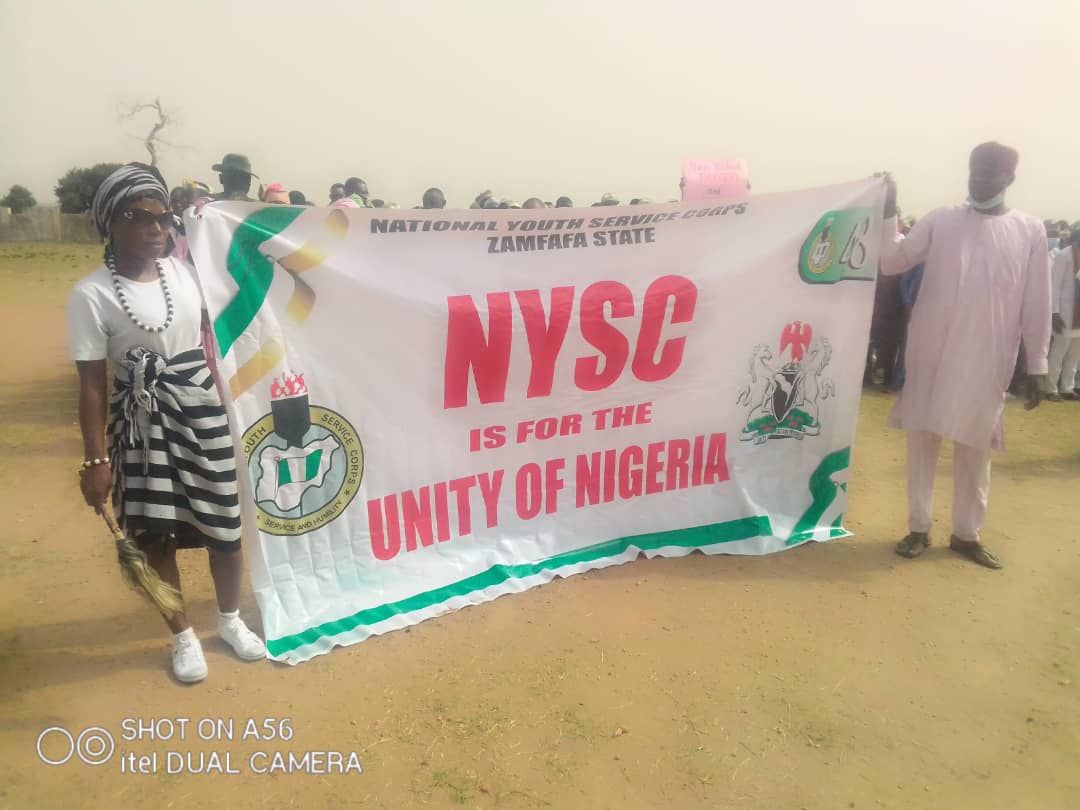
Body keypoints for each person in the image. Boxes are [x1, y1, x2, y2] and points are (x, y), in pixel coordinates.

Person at [67, 163, 265, 683]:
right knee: (155, 533)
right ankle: (182, 636)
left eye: (162, 218)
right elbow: (92, 384)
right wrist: (95, 459)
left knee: (225, 524)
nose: (155, 228)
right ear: (109, 223)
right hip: (140, 423)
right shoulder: (91, 295)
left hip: (201, 407)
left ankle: (229, 621)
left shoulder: (185, 273)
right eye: (138, 217)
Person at [879, 142, 1051, 570]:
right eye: (975, 168)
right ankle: (918, 527)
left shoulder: (1029, 230)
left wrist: (1038, 364)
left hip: (987, 355)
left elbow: (1037, 300)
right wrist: (888, 209)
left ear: (1010, 177)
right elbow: (891, 260)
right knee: (923, 439)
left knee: (976, 445)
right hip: (931, 352)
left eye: (990, 171)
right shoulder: (941, 219)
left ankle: (966, 534)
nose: (979, 177)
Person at [1045, 230, 1080, 401]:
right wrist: (1054, 312)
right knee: (1058, 352)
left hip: (1078, 314)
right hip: (1064, 312)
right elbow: (1055, 286)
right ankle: (1050, 389)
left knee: (1075, 353)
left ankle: (1067, 388)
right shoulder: (1064, 256)